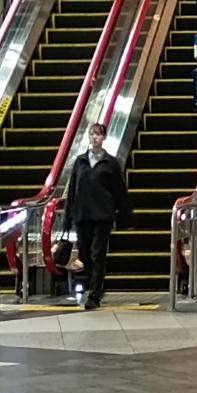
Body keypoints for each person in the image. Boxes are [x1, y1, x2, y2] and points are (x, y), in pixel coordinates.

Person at [63, 123, 130, 309]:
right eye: (92, 134)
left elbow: (119, 190)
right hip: (82, 215)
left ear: (104, 137)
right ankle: (96, 284)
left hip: (102, 216)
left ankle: (94, 295)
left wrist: (123, 214)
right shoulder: (80, 161)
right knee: (84, 254)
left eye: (98, 134)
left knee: (97, 254)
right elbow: (72, 190)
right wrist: (68, 217)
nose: (95, 137)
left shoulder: (110, 163)